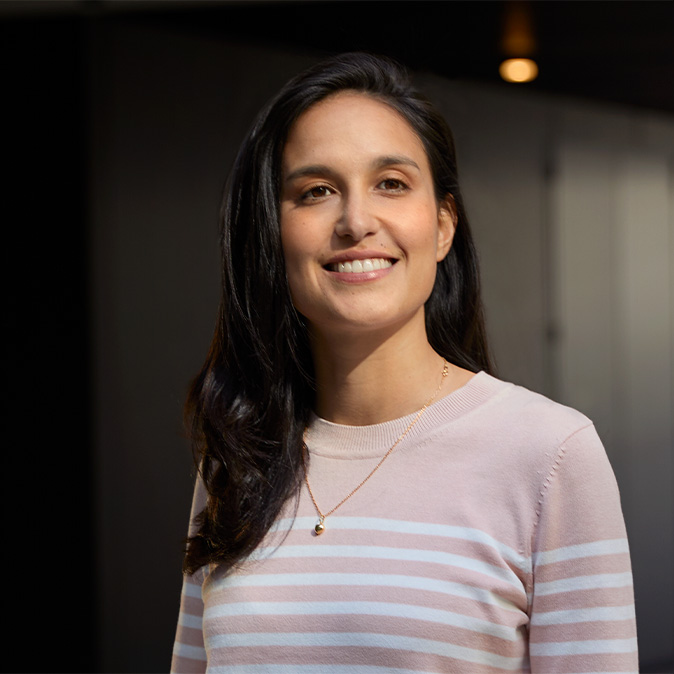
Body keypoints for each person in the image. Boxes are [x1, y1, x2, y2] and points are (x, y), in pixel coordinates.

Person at [170, 52, 637, 673]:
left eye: (391, 183)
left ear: (442, 224)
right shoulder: (239, 452)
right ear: (271, 232)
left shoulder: (549, 455)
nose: (356, 222)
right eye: (316, 192)